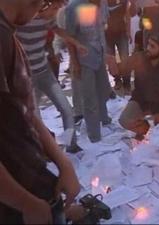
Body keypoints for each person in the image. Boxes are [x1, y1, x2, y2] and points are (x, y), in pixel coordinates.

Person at [0, 0, 80, 223]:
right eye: (44, 3)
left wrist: (63, 162)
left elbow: (25, 111)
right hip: (15, 201)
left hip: (31, 181)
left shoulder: (9, 33)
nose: (42, 11)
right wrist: (25, 202)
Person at [16, 0, 85, 153]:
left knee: (66, 109)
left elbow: (59, 31)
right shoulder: (23, 21)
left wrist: (77, 44)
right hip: (27, 77)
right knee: (36, 119)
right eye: (54, 8)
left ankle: (71, 145)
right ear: (44, 5)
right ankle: (46, 152)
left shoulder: (47, 19)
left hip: (45, 72)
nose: (55, 12)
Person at [117, 33, 159, 140]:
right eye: (148, 44)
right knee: (124, 120)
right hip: (140, 100)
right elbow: (120, 68)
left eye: (152, 46)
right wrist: (111, 63)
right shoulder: (139, 57)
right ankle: (144, 128)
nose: (148, 48)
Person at [65, 0, 115, 143]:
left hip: (100, 54)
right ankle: (95, 136)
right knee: (89, 98)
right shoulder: (74, 7)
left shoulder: (103, 3)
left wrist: (107, 54)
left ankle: (105, 121)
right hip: (84, 59)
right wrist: (75, 63)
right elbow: (70, 38)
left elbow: (101, 30)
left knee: (103, 91)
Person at [106, 0, 132, 95]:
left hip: (121, 34)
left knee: (125, 58)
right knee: (111, 60)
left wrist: (129, 32)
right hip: (107, 35)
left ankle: (127, 82)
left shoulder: (123, 1)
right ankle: (117, 79)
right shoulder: (102, 2)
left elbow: (127, 15)